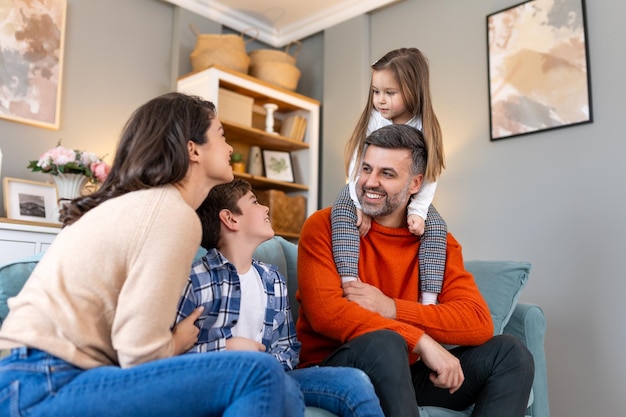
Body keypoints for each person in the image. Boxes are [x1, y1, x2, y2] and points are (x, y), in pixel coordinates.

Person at [0, 92, 295, 417]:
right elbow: (139, 355)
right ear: (193, 149)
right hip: (42, 382)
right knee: (257, 372)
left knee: (276, 388)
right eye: (222, 136)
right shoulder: (170, 213)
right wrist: (176, 343)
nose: (229, 149)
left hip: (35, 377)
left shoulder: (148, 207)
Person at [297, 124, 535, 417]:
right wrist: (420, 341)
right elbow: (327, 313)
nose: (370, 182)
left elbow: (477, 320)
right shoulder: (324, 226)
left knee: (510, 353)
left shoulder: (438, 244)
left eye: (387, 174)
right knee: (387, 342)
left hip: (408, 372)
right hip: (338, 367)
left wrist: (392, 309)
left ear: (415, 184)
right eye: (366, 169)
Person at [175, 178, 384, 417]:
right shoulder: (196, 280)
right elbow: (171, 357)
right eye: (254, 202)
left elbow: (288, 346)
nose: (265, 207)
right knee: (277, 392)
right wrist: (225, 348)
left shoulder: (271, 278)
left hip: (275, 375)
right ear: (230, 219)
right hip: (222, 380)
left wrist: (270, 365)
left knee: (354, 381)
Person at [331, 47, 446, 305]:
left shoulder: (424, 127)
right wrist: (359, 203)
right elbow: (356, 163)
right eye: (376, 92)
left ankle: (429, 299)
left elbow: (429, 176)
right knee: (342, 207)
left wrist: (418, 211)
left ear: (413, 90)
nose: (380, 100)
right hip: (359, 192)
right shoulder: (375, 119)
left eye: (389, 93)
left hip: (410, 199)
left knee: (437, 228)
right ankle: (349, 282)